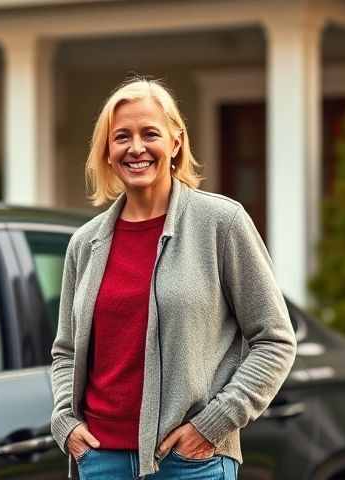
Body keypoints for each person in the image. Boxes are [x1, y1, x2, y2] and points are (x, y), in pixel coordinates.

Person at [49, 77, 297, 480]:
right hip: (101, 460)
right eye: (121, 137)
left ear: (176, 142)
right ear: (107, 152)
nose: (136, 148)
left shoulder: (222, 223)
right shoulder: (85, 243)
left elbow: (275, 339)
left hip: (190, 462)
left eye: (150, 134)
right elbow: (66, 352)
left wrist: (214, 423)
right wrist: (65, 422)